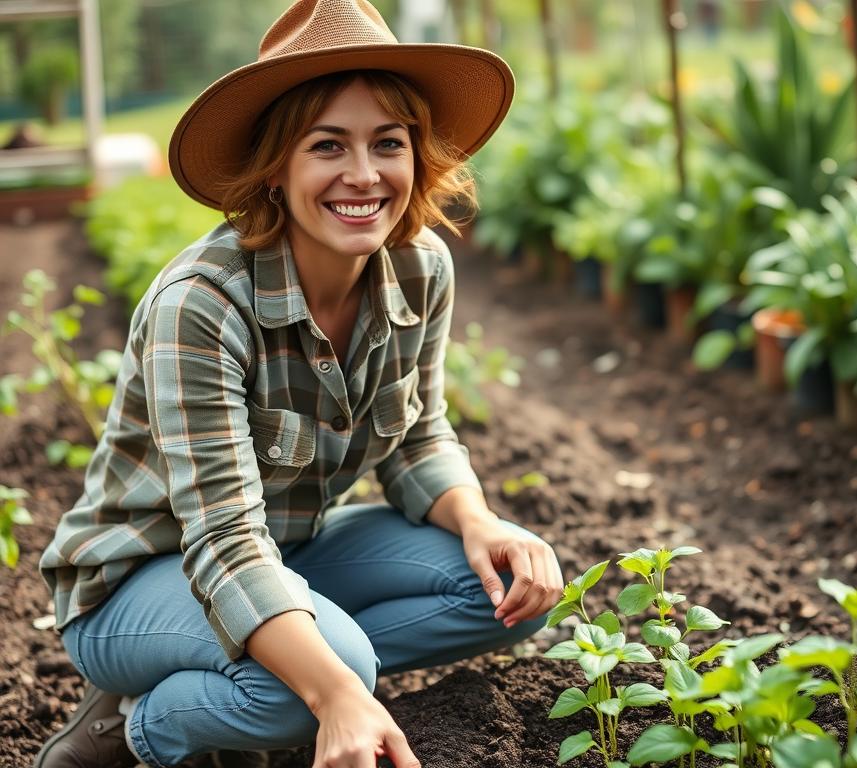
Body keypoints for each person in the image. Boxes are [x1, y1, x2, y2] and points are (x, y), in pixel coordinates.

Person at [34, 2, 563, 767]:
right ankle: (138, 727)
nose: (363, 174)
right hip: (140, 582)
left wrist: (480, 521)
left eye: (389, 143)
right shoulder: (205, 304)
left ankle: (268, 684)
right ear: (276, 169)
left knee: (503, 590)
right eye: (327, 146)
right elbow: (219, 538)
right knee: (335, 673)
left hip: (286, 551)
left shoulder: (420, 270)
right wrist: (336, 692)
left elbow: (417, 436)